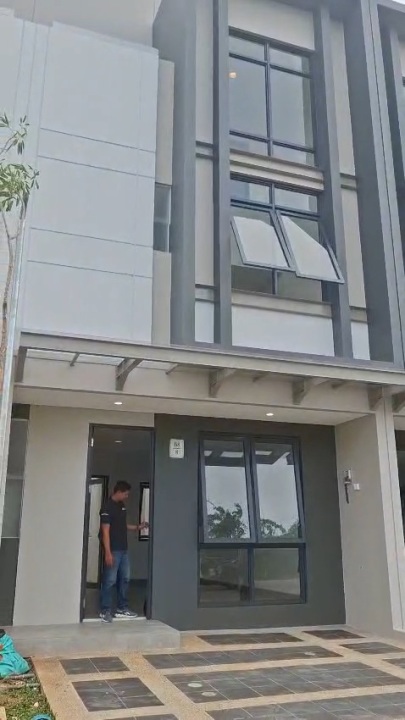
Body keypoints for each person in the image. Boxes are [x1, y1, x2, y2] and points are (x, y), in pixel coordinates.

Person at [99, 481, 148, 623]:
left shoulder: (121, 505)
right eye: (126, 494)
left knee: (125, 579)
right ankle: (105, 610)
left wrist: (137, 527)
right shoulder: (107, 507)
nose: (127, 496)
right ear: (119, 492)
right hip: (113, 549)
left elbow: (121, 525)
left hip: (123, 549)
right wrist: (108, 552)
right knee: (110, 580)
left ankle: (122, 608)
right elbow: (105, 531)